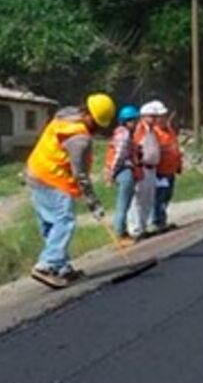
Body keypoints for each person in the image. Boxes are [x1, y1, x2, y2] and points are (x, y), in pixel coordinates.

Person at [25, 93, 115, 288]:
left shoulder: (65, 116)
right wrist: (93, 203)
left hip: (35, 172)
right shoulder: (79, 138)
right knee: (64, 220)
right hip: (53, 178)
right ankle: (47, 265)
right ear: (90, 116)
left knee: (51, 223)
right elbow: (80, 174)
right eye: (97, 124)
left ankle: (62, 268)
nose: (97, 129)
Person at [104, 105, 141, 246]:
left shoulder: (123, 133)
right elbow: (119, 156)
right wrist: (111, 174)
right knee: (122, 204)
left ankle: (123, 232)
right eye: (134, 120)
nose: (136, 123)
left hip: (125, 170)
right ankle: (119, 234)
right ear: (126, 121)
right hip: (123, 171)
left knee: (124, 204)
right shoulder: (124, 134)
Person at [130, 100, 164, 238]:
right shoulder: (140, 130)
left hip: (152, 168)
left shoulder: (153, 131)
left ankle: (143, 226)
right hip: (142, 167)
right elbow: (135, 147)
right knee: (138, 199)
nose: (154, 119)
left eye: (155, 117)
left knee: (148, 199)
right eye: (151, 116)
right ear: (144, 116)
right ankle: (135, 228)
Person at [151, 108, 183, 232]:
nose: (163, 119)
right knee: (160, 196)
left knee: (168, 196)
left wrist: (178, 164)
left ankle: (162, 220)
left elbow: (175, 148)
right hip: (160, 171)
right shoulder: (155, 132)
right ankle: (157, 221)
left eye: (165, 116)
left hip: (170, 170)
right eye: (161, 116)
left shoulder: (170, 131)